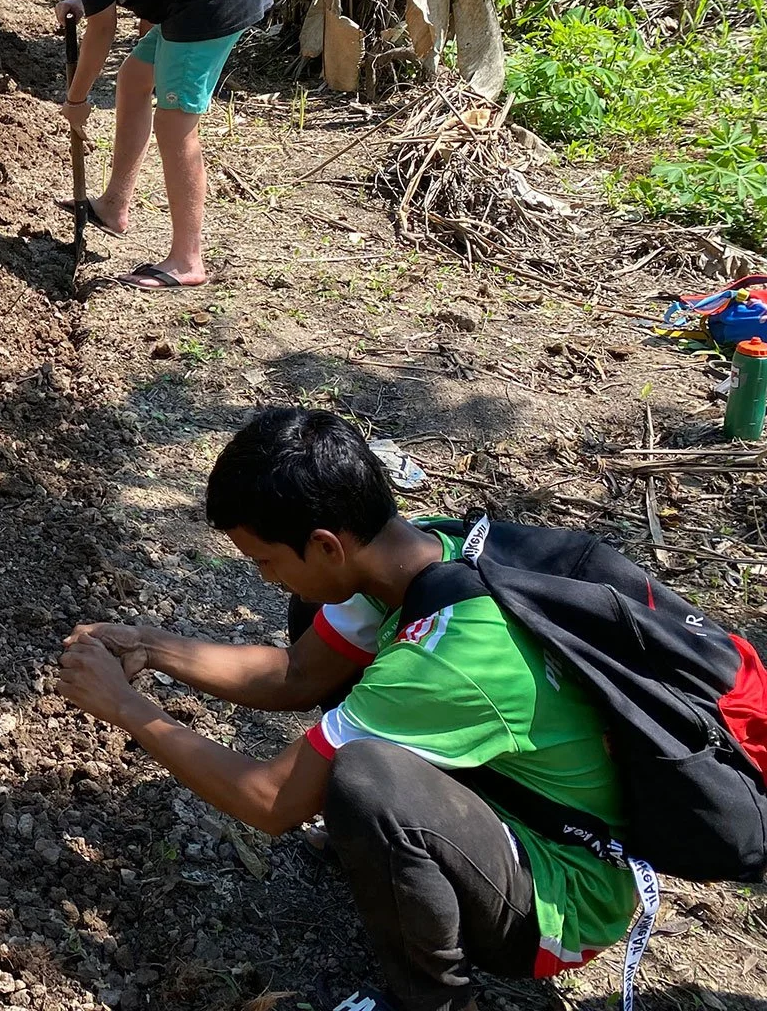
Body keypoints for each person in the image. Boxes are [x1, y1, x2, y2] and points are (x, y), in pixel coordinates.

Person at [53, 409, 636, 1011]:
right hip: (512, 809)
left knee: (365, 781)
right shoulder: (417, 555)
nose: (268, 578)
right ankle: (406, 857)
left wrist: (126, 707)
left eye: (265, 561)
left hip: (562, 902)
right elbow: (296, 674)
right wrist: (150, 646)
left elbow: (271, 801)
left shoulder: (443, 660)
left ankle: (431, 1000)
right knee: (320, 635)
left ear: (326, 544)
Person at [0, 0, 271, 290]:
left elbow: (102, 33)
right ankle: (113, 205)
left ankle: (187, 260)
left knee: (175, 123)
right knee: (134, 79)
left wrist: (76, 98)